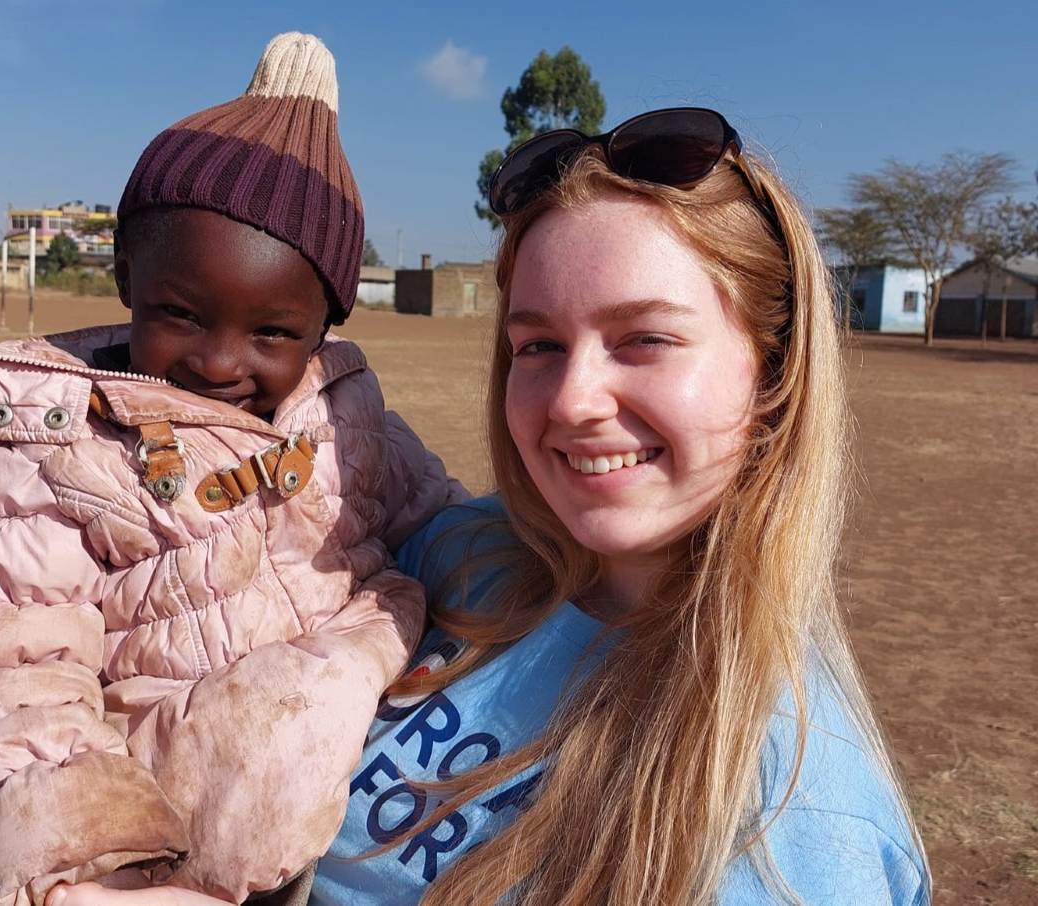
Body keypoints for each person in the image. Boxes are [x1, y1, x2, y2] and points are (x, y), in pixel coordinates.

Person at [51, 109, 932, 906]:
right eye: (538, 343)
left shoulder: (800, 823)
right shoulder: (458, 552)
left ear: (774, 372)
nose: (574, 398)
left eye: (646, 339)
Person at [0, 33, 464, 906]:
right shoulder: (56, 462)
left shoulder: (346, 413)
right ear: (129, 275)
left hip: (363, 787)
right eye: (180, 313)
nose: (216, 361)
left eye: (272, 333)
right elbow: (19, 678)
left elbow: (439, 520)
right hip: (183, 831)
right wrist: (90, 863)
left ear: (322, 329)